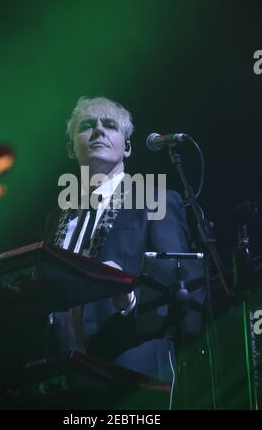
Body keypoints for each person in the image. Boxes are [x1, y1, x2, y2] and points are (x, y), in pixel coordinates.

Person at [43, 96, 204, 384]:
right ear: (70, 148)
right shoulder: (57, 218)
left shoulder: (155, 200)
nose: (99, 131)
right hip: (64, 374)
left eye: (110, 126)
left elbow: (184, 288)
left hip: (131, 367)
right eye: (88, 125)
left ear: (127, 146)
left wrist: (131, 297)